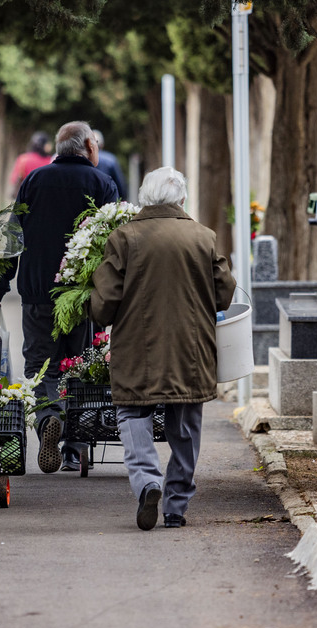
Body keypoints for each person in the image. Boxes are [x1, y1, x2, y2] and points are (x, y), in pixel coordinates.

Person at [89, 167, 236, 530]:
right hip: (191, 347)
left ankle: (147, 482)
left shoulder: (124, 238)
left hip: (138, 347)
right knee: (185, 425)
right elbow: (225, 293)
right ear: (182, 200)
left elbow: (105, 303)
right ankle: (176, 506)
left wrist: (92, 305)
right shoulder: (203, 237)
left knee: (133, 415)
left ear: (144, 198)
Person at [0, 121, 118, 473]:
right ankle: (74, 447)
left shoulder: (33, 181)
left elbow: (12, 237)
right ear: (89, 146)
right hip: (85, 298)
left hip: (38, 293)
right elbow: (115, 245)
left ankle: (47, 421)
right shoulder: (103, 183)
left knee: (41, 365)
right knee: (81, 366)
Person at [92, 129, 127, 201]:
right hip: (107, 202)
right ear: (102, 144)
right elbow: (120, 185)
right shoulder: (111, 159)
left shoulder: (83, 158)